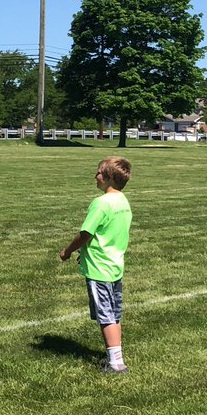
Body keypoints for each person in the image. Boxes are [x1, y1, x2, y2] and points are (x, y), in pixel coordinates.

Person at [60, 156, 133, 374]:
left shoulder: (101, 203)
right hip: (115, 264)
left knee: (105, 315)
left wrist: (68, 251)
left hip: (99, 268)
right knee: (114, 312)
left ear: (109, 178)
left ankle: (116, 363)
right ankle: (115, 355)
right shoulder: (122, 200)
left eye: (99, 173)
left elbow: (86, 233)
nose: (95, 176)